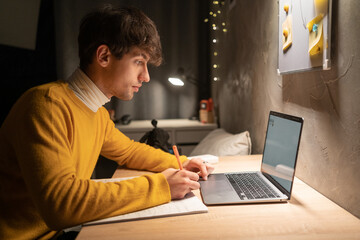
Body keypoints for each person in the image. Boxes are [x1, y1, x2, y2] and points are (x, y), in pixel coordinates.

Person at [0, 5, 214, 240]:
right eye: (138, 62)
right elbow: (62, 205)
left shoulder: (96, 113)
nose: (146, 76)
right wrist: (162, 186)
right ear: (103, 56)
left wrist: (183, 163)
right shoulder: (46, 106)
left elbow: (129, 152)